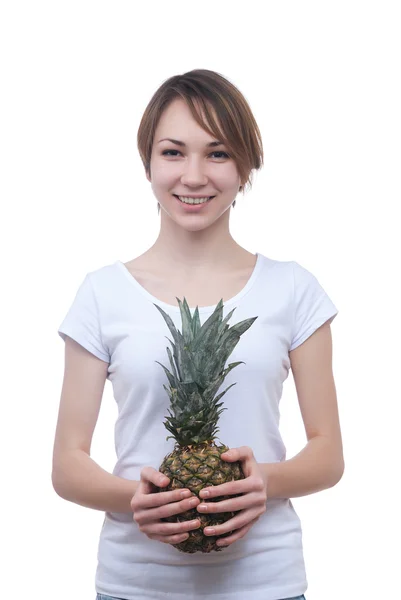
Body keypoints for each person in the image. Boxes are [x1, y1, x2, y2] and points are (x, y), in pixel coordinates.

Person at [53, 68, 344, 600]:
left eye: (217, 153)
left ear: (246, 165)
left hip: (267, 582)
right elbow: (67, 464)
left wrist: (264, 484)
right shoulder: (101, 293)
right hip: (134, 584)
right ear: (147, 163)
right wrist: (134, 499)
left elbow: (329, 455)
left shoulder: (293, 289)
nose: (193, 176)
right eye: (172, 152)